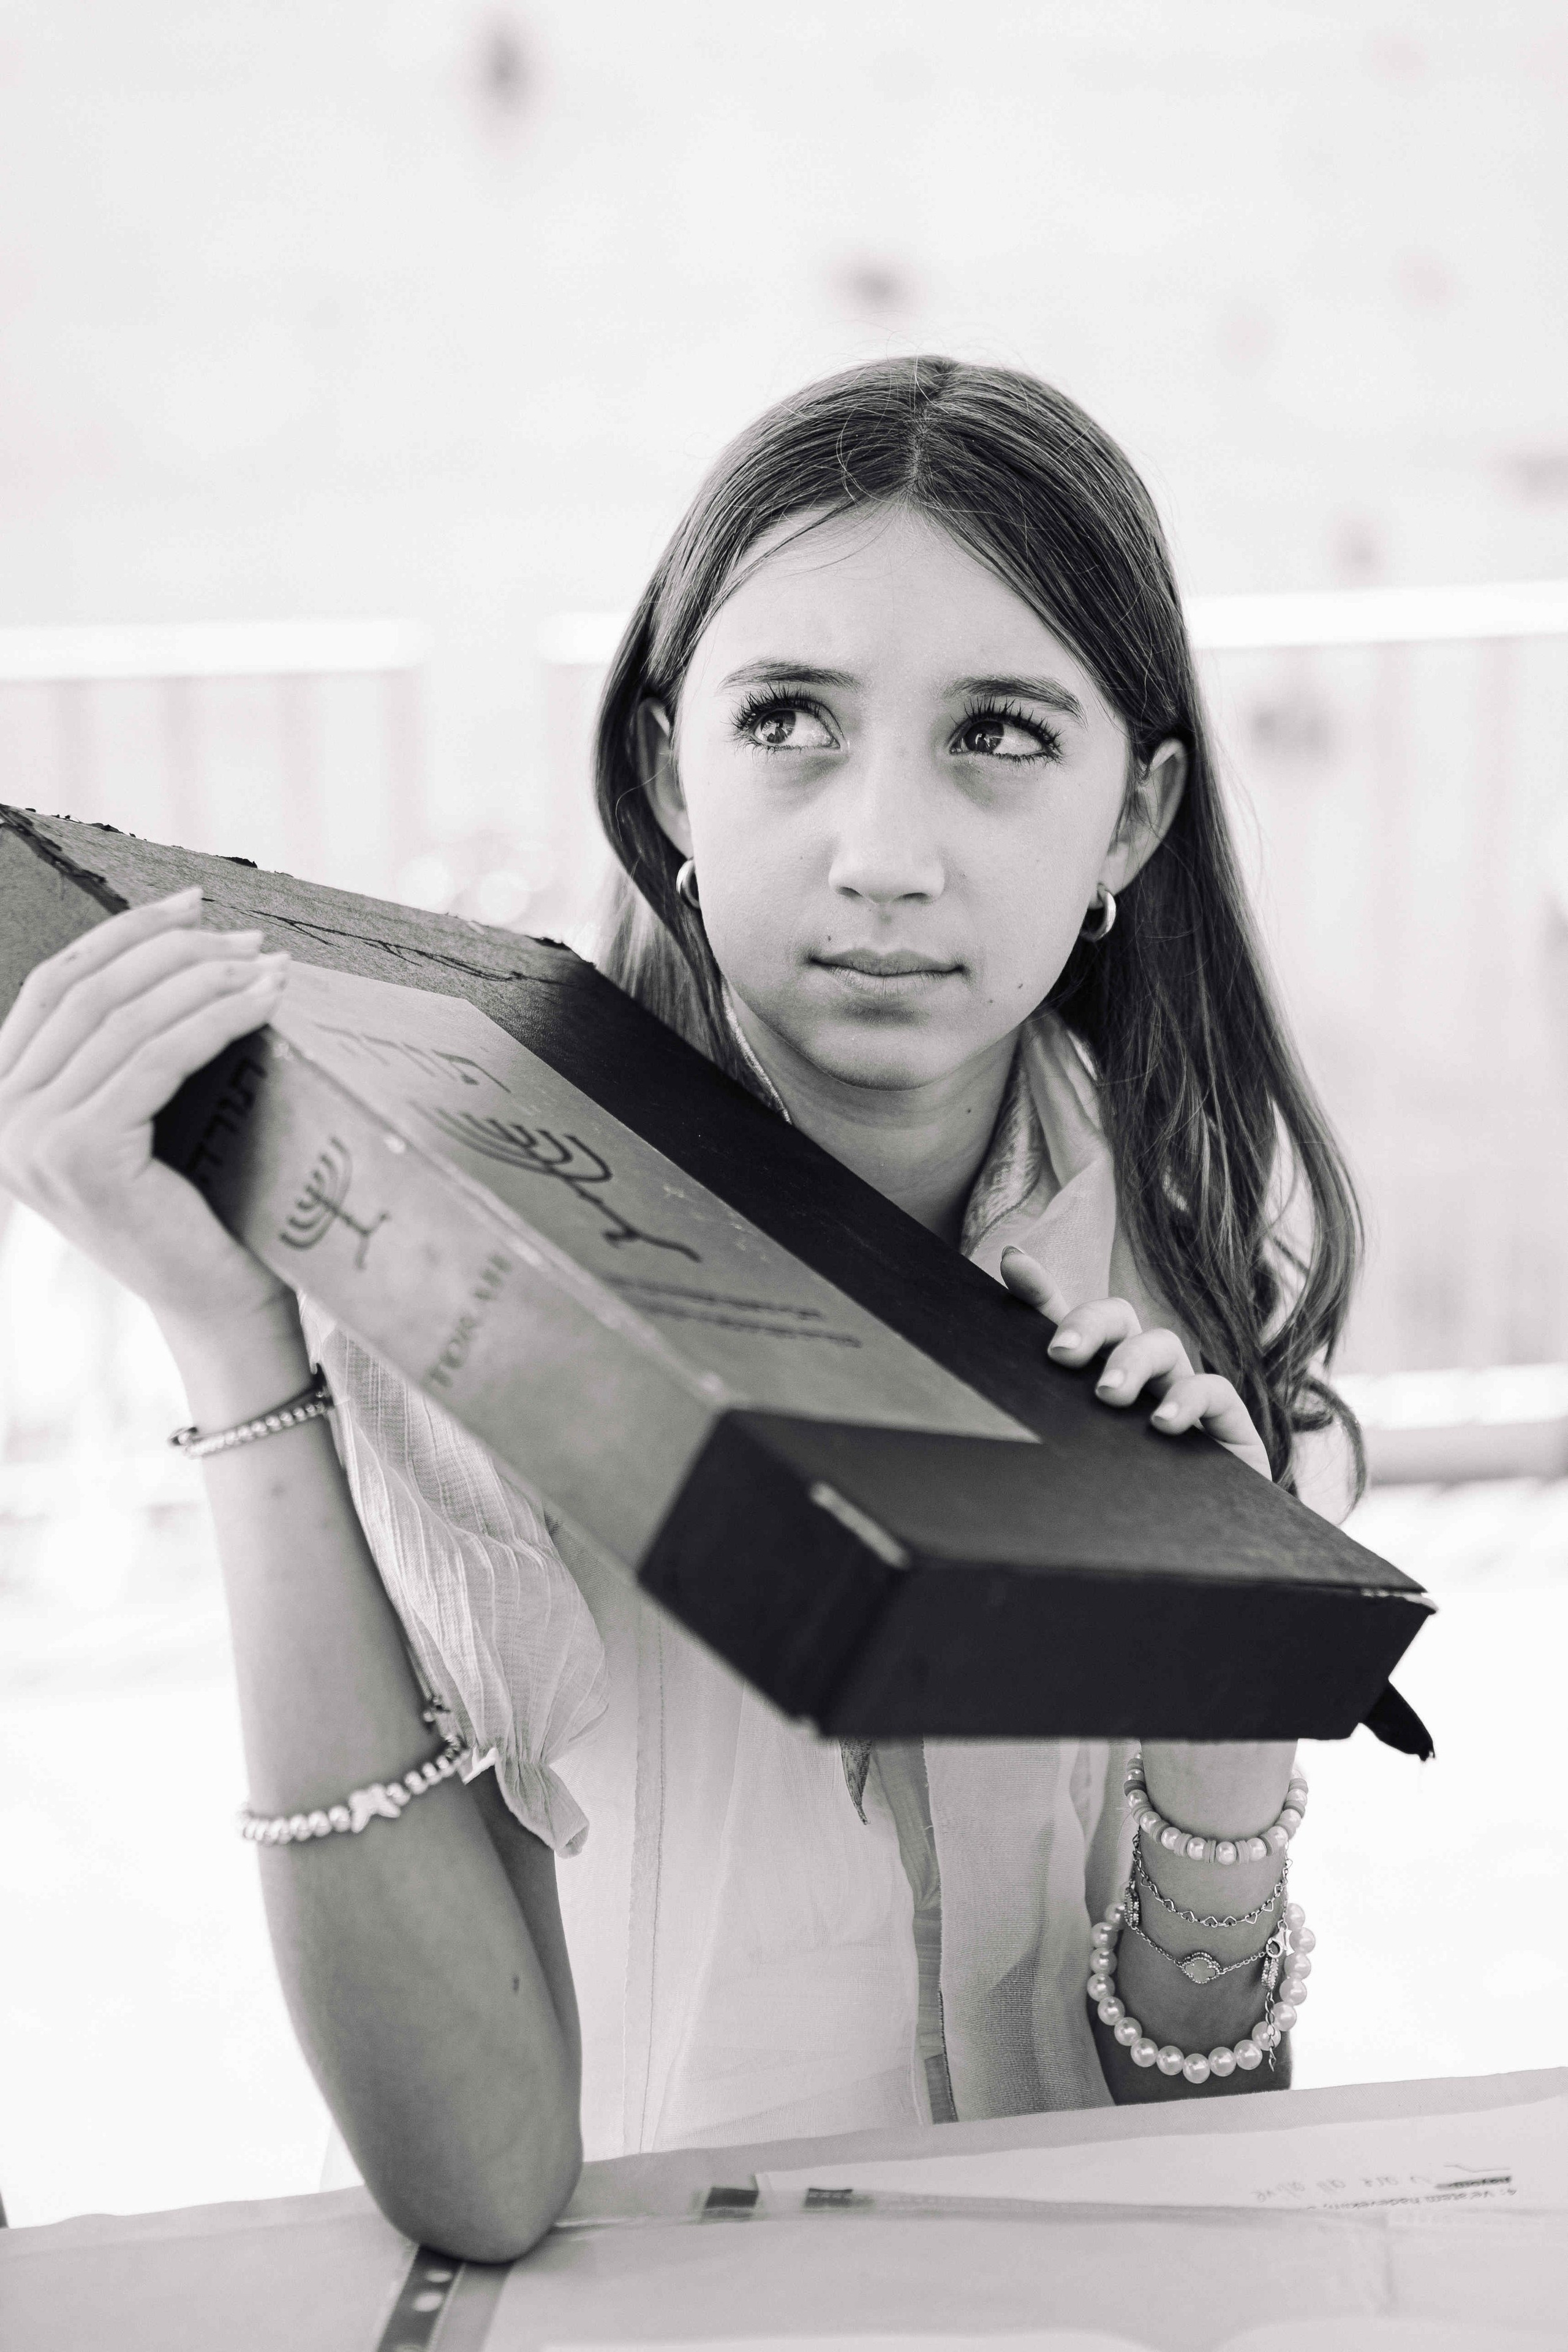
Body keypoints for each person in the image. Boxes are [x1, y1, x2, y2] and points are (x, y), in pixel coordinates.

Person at [0, 356, 1357, 2262]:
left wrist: (1231, 1724)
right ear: (667, 771)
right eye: (791, 716)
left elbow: (1200, 2132)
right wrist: (241, 1347)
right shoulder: (460, 1253)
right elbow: (479, 2180)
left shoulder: (1180, 1274)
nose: (884, 850)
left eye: (1003, 735)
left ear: (1132, 823)